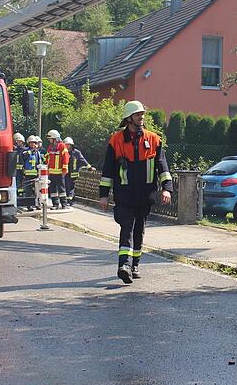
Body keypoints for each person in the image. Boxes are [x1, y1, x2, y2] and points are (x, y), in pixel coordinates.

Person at [98, 101, 172, 284]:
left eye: (142, 114)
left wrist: (167, 189)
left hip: (145, 195)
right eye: (138, 114)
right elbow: (107, 170)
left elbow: (162, 167)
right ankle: (124, 264)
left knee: (139, 230)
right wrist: (103, 194)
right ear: (129, 118)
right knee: (127, 227)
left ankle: (134, 265)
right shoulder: (116, 141)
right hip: (124, 194)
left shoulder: (154, 139)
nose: (142, 117)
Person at [45, 129, 69, 209]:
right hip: (52, 173)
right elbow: (47, 157)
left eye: (50, 139)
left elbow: (65, 158)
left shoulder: (62, 146)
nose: (49, 140)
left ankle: (64, 204)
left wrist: (64, 170)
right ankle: (55, 204)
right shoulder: (50, 147)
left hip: (60, 172)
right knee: (53, 190)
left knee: (62, 189)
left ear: (55, 138)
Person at [63, 136, 89, 206]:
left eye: (68, 144)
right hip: (65, 172)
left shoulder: (76, 152)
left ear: (71, 145)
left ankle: (70, 200)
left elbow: (82, 160)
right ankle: (69, 200)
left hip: (73, 173)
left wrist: (89, 167)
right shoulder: (63, 152)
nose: (67, 146)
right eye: (66, 144)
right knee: (66, 186)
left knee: (71, 187)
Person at [21, 134, 41, 209]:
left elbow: (39, 163)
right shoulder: (25, 151)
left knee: (37, 191)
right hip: (28, 175)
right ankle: (29, 206)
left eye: (34, 143)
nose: (33, 144)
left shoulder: (37, 153)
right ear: (28, 143)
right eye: (31, 143)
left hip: (36, 175)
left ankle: (37, 204)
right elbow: (22, 159)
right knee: (28, 191)